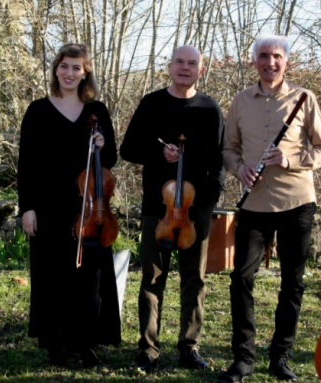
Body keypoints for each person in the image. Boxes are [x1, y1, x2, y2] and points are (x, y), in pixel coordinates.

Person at [218, 35, 321, 382]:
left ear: (286, 61)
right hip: (253, 202)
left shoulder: (304, 99)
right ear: (254, 61)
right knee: (241, 278)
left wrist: (290, 158)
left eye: (277, 56)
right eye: (264, 56)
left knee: (292, 282)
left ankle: (280, 357)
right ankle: (243, 358)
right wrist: (239, 169)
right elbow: (228, 150)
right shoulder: (240, 101)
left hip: (296, 201)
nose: (270, 62)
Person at [120, 45, 225, 372]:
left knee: (194, 278)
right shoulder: (152, 103)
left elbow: (218, 161)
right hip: (158, 208)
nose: (185, 67)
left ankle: (189, 346)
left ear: (201, 70)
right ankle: (148, 348)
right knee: (152, 278)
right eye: (179, 62)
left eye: (192, 63)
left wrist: (206, 203)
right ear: (170, 66)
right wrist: (158, 156)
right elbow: (128, 148)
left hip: (197, 210)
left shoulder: (210, 108)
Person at [17, 43, 121, 367]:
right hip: (48, 206)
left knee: (89, 276)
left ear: (85, 72)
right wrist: (28, 208)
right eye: (64, 66)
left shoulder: (97, 111)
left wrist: (103, 145)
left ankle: (87, 341)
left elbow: (112, 159)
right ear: (55, 70)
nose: (69, 73)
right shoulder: (37, 110)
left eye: (77, 67)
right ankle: (56, 342)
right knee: (52, 275)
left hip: (90, 209)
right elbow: (27, 164)